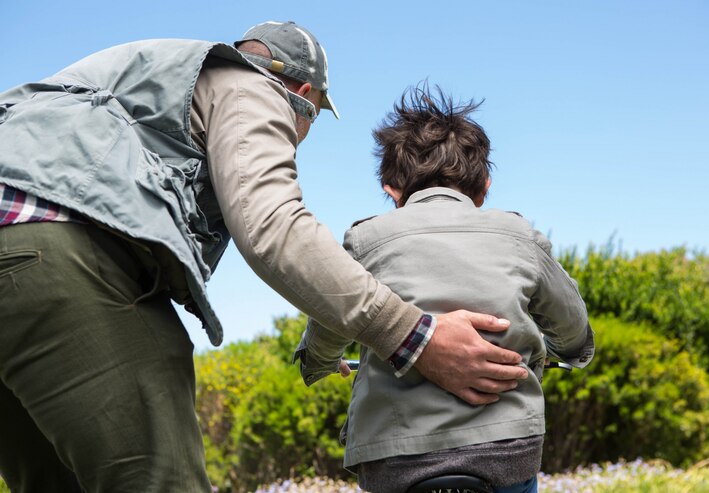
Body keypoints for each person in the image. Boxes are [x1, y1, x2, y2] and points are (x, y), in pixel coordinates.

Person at [0, 22, 527, 492]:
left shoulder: (136, 83)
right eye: (313, 118)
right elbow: (273, 227)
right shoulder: (249, 86)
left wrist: (321, 357)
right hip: (52, 251)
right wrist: (416, 337)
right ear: (302, 94)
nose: (302, 134)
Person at [296, 85, 595, 493]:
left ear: (391, 189)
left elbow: (333, 320)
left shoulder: (366, 240)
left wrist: (320, 363)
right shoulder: (520, 236)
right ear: (484, 186)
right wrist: (571, 352)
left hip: (397, 462)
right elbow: (573, 328)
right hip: (505, 453)